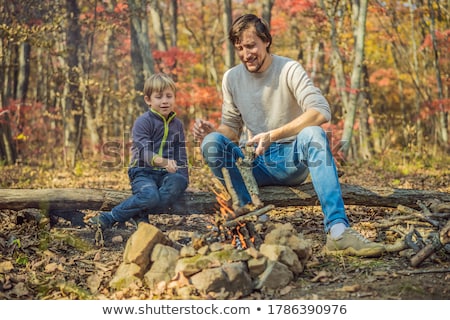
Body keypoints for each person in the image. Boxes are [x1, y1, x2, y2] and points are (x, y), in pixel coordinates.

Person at [193, 13, 385, 257]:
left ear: (266, 41)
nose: (245, 54)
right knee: (211, 143)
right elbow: (230, 128)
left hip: (289, 159)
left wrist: (273, 135)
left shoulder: (289, 69)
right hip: (252, 164)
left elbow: (321, 111)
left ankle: (338, 230)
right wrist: (212, 133)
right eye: (239, 48)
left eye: (251, 46)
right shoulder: (231, 78)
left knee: (314, 134)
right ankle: (247, 223)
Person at [89, 73, 189, 230]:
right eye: (159, 97)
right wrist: (163, 162)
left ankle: (139, 212)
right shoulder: (143, 122)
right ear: (148, 100)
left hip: (165, 174)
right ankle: (111, 216)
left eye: (169, 96)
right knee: (150, 195)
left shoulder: (177, 125)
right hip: (142, 171)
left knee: (178, 182)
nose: (164, 101)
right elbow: (144, 152)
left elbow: (180, 153)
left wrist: (182, 177)